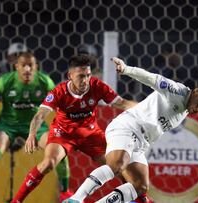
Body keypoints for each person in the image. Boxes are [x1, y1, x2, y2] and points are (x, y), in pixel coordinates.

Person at [64, 57, 198, 203]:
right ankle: (76, 199)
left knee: (140, 186)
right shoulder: (177, 91)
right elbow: (151, 78)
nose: (197, 109)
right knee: (117, 165)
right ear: (196, 92)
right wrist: (126, 69)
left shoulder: (186, 109)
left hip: (141, 142)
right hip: (128, 127)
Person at [9, 54, 137, 203]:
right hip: (63, 133)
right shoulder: (59, 91)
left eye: (88, 75)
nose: (85, 80)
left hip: (90, 134)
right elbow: (40, 115)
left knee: (118, 166)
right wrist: (32, 134)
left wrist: (148, 107)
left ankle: (139, 197)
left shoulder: (97, 86)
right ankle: (16, 201)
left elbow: (122, 103)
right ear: (70, 75)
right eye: (81, 76)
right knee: (48, 163)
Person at [0, 52, 72, 203]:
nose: (27, 69)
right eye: (24, 65)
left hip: (36, 126)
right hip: (7, 125)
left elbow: (60, 105)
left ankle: (65, 193)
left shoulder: (44, 82)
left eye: (31, 65)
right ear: (16, 67)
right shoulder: (5, 81)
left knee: (59, 150)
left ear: (36, 67)